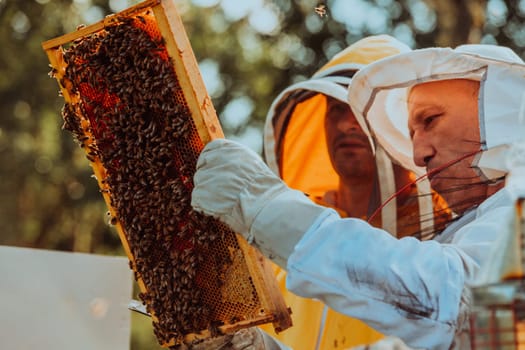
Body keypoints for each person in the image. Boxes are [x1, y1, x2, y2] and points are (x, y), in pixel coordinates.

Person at [191, 43, 525, 349]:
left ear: (499, 113)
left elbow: (459, 300)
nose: (418, 153)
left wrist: (267, 210)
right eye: (411, 133)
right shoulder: (469, 235)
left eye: (431, 119)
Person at [259, 35, 451, 350]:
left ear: (406, 125)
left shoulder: (447, 240)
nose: (347, 123)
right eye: (335, 108)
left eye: (361, 109)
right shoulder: (286, 251)